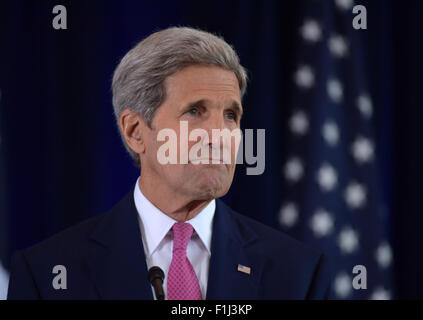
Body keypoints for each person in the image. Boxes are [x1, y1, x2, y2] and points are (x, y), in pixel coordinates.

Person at [7, 27, 330, 300]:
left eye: (230, 115)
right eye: (194, 112)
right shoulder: (46, 275)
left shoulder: (300, 275)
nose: (220, 136)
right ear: (135, 132)